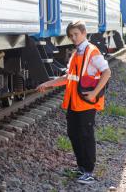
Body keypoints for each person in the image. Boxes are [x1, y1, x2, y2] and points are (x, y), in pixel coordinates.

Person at [37, 20, 111, 185]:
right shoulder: (76, 52)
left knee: (86, 136)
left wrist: (94, 93)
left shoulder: (92, 51)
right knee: (74, 134)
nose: (74, 38)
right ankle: (82, 167)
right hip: (74, 103)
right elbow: (68, 78)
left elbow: (107, 72)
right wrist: (47, 84)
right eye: (71, 36)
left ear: (84, 33)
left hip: (85, 103)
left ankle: (89, 171)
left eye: (76, 34)